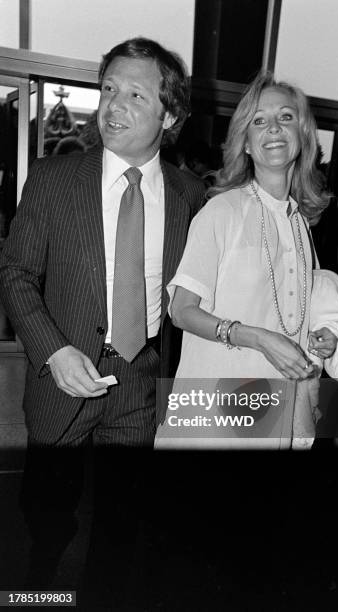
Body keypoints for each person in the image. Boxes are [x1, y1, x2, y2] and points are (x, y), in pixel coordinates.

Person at [0, 37, 205, 596]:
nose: (113, 105)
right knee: (46, 514)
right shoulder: (51, 179)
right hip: (62, 382)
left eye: (135, 94)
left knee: (121, 523)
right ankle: (38, 588)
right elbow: (15, 273)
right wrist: (53, 349)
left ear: (170, 114)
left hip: (139, 385)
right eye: (108, 88)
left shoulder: (192, 198)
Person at [155, 71, 338, 449]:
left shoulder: (299, 224)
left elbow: (296, 315)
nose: (274, 129)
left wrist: (325, 338)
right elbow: (181, 311)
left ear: (304, 135)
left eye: (286, 117)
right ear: (245, 142)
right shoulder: (221, 212)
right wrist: (258, 338)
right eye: (259, 121)